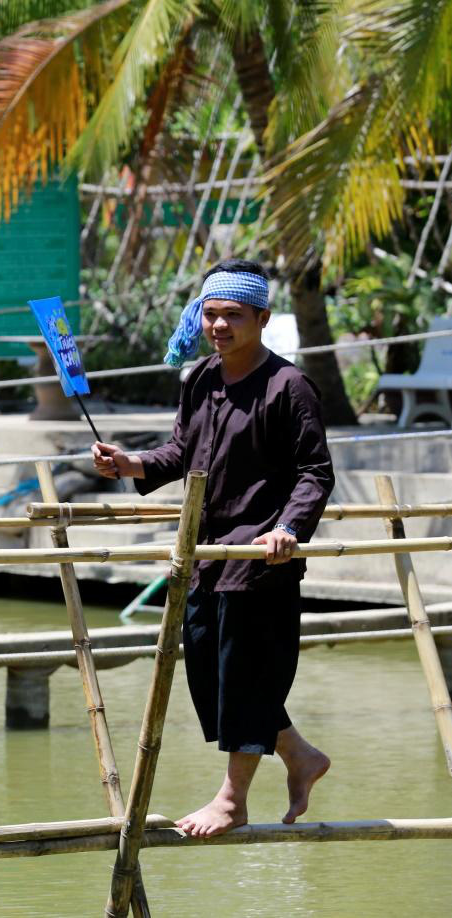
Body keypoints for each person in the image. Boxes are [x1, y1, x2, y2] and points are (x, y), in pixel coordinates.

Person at [91, 258, 335, 838]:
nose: (220, 325)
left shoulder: (289, 386)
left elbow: (315, 473)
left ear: (262, 319)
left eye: (234, 315)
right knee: (212, 675)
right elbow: (182, 452)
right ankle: (300, 755)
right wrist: (131, 463)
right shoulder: (199, 378)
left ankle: (233, 799)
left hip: (260, 558)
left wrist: (289, 528)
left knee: (246, 675)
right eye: (211, 313)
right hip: (204, 554)